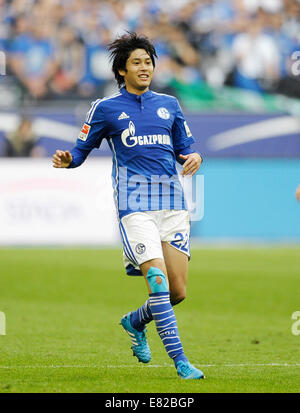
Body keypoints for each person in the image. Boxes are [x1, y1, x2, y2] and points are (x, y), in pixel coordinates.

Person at [52, 32, 204, 380]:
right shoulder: (105, 108)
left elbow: (187, 146)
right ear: (121, 70)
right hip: (134, 204)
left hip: (173, 204)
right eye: (136, 62)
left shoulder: (170, 105)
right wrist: (67, 159)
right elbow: (80, 151)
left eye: (148, 62)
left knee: (177, 291)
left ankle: (135, 321)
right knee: (157, 280)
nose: (144, 67)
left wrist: (194, 156)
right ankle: (181, 362)